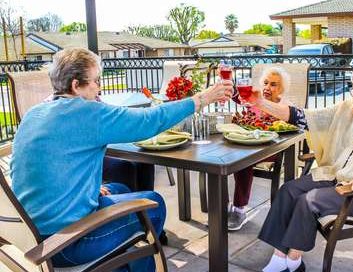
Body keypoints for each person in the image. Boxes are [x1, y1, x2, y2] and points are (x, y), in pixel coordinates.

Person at [11, 48, 233, 271]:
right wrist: (202, 98)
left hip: (29, 235)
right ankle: (127, 262)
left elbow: (33, 168)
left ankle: (120, 257)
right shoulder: (89, 113)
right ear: (76, 85)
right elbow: (149, 120)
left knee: (117, 187)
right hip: (64, 244)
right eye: (96, 81)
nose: (99, 86)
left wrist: (85, 189)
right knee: (153, 205)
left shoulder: (34, 113)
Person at [248, 65, 353, 272]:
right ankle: (280, 259)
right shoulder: (349, 109)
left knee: (309, 201)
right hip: (337, 174)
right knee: (288, 190)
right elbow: (304, 117)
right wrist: (260, 103)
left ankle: (292, 262)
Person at [228, 66, 291, 231]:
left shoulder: (285, 108)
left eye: (273, 85)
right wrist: (228, 83)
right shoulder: (255, 100)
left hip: (270, 149)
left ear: (282, 89)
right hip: (247, 143)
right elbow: (238, 96)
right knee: (224, 155)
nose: (268, 88)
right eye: (265, 83)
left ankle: (239, 209)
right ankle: (221, 205)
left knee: (243, 158)